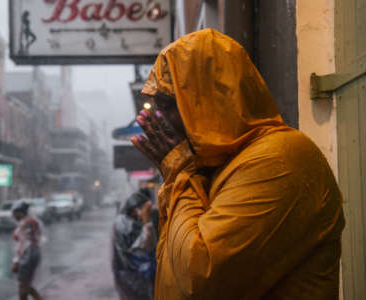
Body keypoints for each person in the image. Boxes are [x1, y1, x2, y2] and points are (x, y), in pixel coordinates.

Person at [131, 28, 345, 299]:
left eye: (169, 106)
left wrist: (179, 170)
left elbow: (200, 278)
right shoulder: (211, 166)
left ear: (209, 100)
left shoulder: (280, 159)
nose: (161, 120)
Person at [112, 192, 157, 300]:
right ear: (133, 210)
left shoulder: (140, 222)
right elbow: (145, 246)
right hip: (129, 275)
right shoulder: (123, 224)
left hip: (140, 277)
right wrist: (146, 222)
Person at [12, 202, 43, 300]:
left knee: (23, 284)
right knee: (26, 284)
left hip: (28, 255)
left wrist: (16, 261)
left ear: (20, 213)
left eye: (15, 213)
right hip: (35, 253)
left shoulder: (25, 223)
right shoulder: (33, 221)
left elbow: (23, 243)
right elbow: (40, 238)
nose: (13, 216)